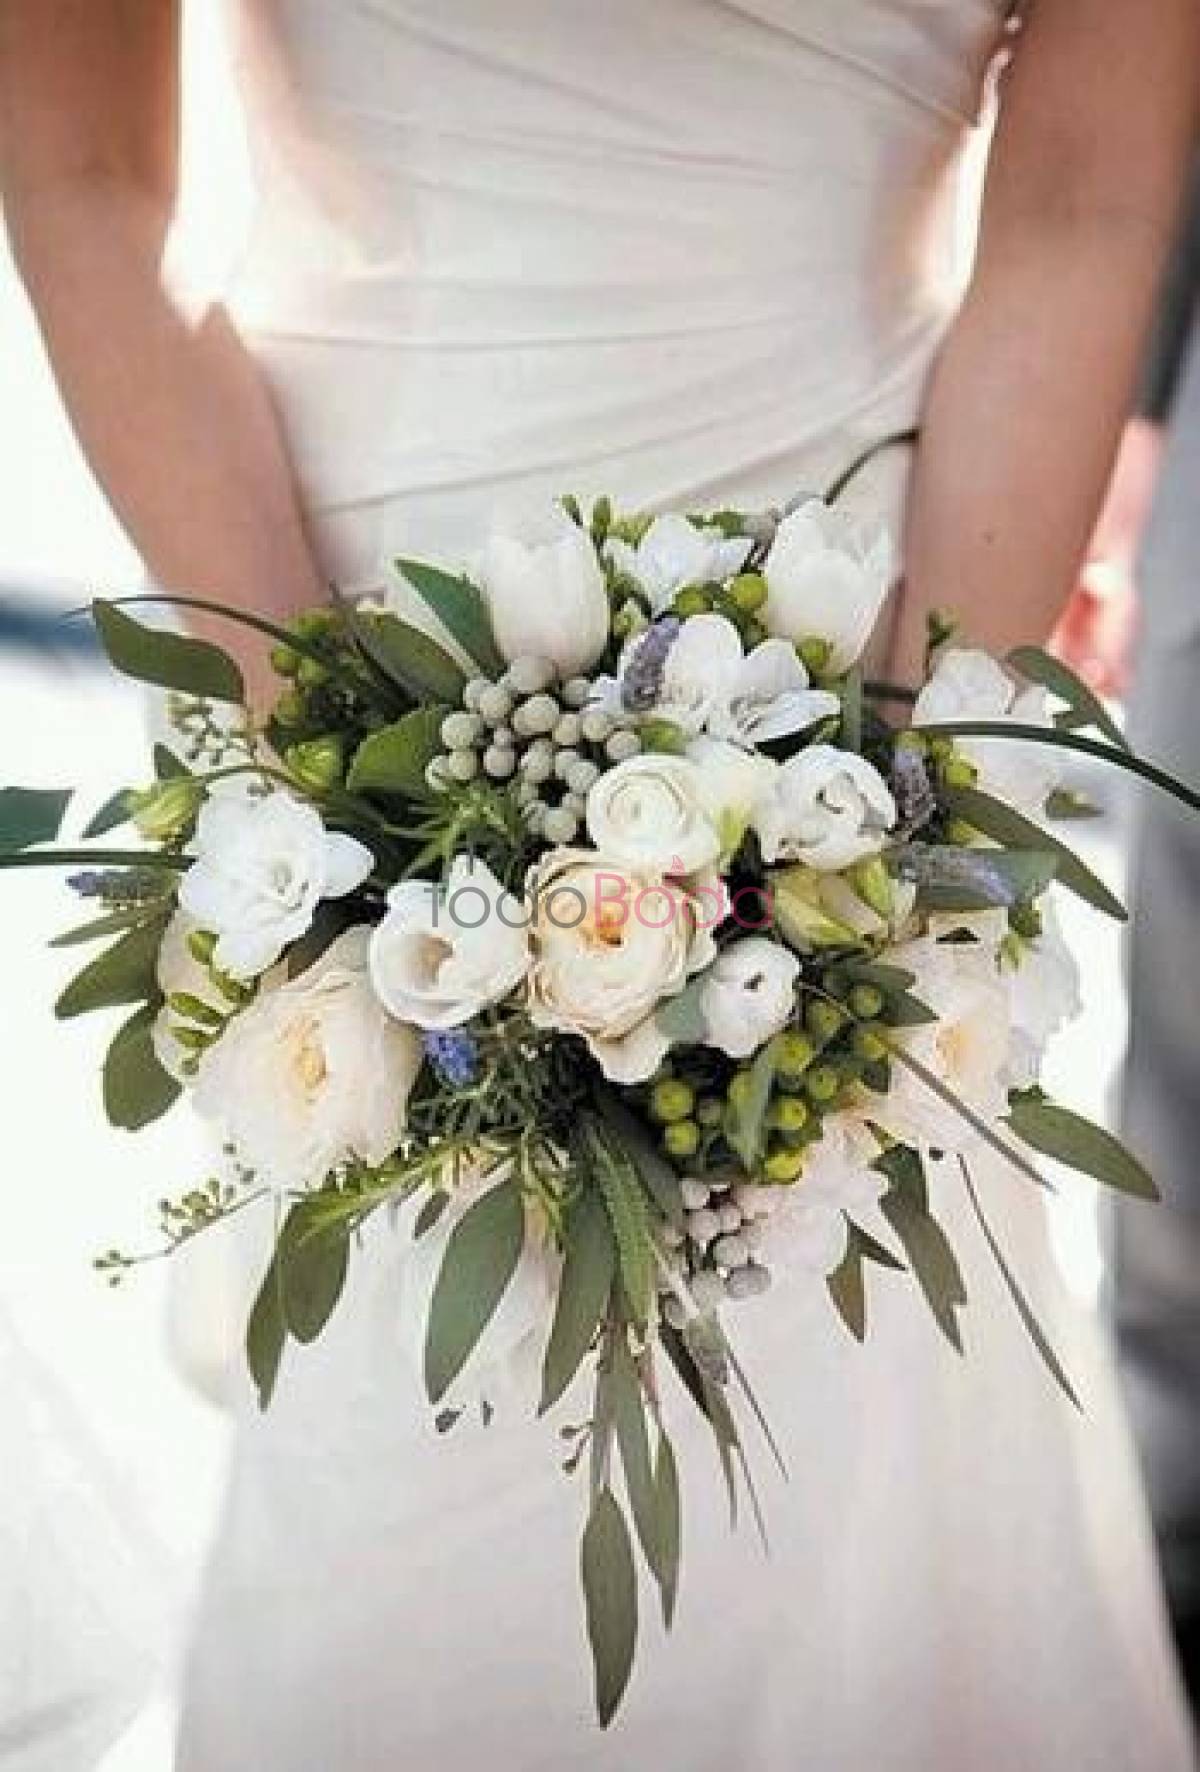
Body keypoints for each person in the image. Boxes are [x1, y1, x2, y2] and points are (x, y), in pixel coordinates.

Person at [2, 4, 1198, 1767]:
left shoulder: (878, 760)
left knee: (855, 1405)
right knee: (402, 1420)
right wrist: (317, 739)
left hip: (861, 594)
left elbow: (1086, 194)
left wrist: (895, 782)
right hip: (346, 583)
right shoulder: (331, 705)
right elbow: (90, 164)